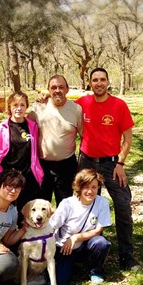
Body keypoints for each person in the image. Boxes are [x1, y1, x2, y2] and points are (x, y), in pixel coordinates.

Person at [76, 67, 138, 271]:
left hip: (112, 164)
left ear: (108, 82)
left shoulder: (119, 105)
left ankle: (126, 256)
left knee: (122, 206)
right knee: (88, 207)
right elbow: (61, 108)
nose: (99, 83)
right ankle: (93, 255)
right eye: (95, 80)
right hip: (86, 162)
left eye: (103, 79)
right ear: (90, 83)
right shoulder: (82, 103)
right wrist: (44, 98)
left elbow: (127, 140)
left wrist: (120, 163)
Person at [0, 91, 43, 223]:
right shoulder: (0, 128)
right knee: (7, 212)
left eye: (22, 105)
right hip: (9, 177)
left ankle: (25, 241)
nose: (19, 108)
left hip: (29, 176)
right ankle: (7, 239)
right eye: (15, 105)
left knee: (26, 213)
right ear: (9, 107)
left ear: (26, 107)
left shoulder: (33, 126)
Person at [50, 168, 111, 285]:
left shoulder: (102, 203)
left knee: (102, 243)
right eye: (86, 187)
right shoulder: (67, 204)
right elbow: (52, 226)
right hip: (65, 248)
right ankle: (69, 265)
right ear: (79, 187)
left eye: (94, 187)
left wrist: (76, 237)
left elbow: (98, 230)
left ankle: (95, 270)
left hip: (85, 244)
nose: (90, 191)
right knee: (61, 283)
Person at [28, 75, 83, 206]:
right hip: (42, 165)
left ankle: (63, 227)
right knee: (41, 205)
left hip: (66, 166)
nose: (57, 90)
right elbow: (24, 130)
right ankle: (43, 227)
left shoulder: (76, 109)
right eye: (53, 87)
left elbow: (83, 136)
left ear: (67, 89)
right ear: (48, 90)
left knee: (64, 205)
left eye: (61, 87)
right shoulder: (38, 107)